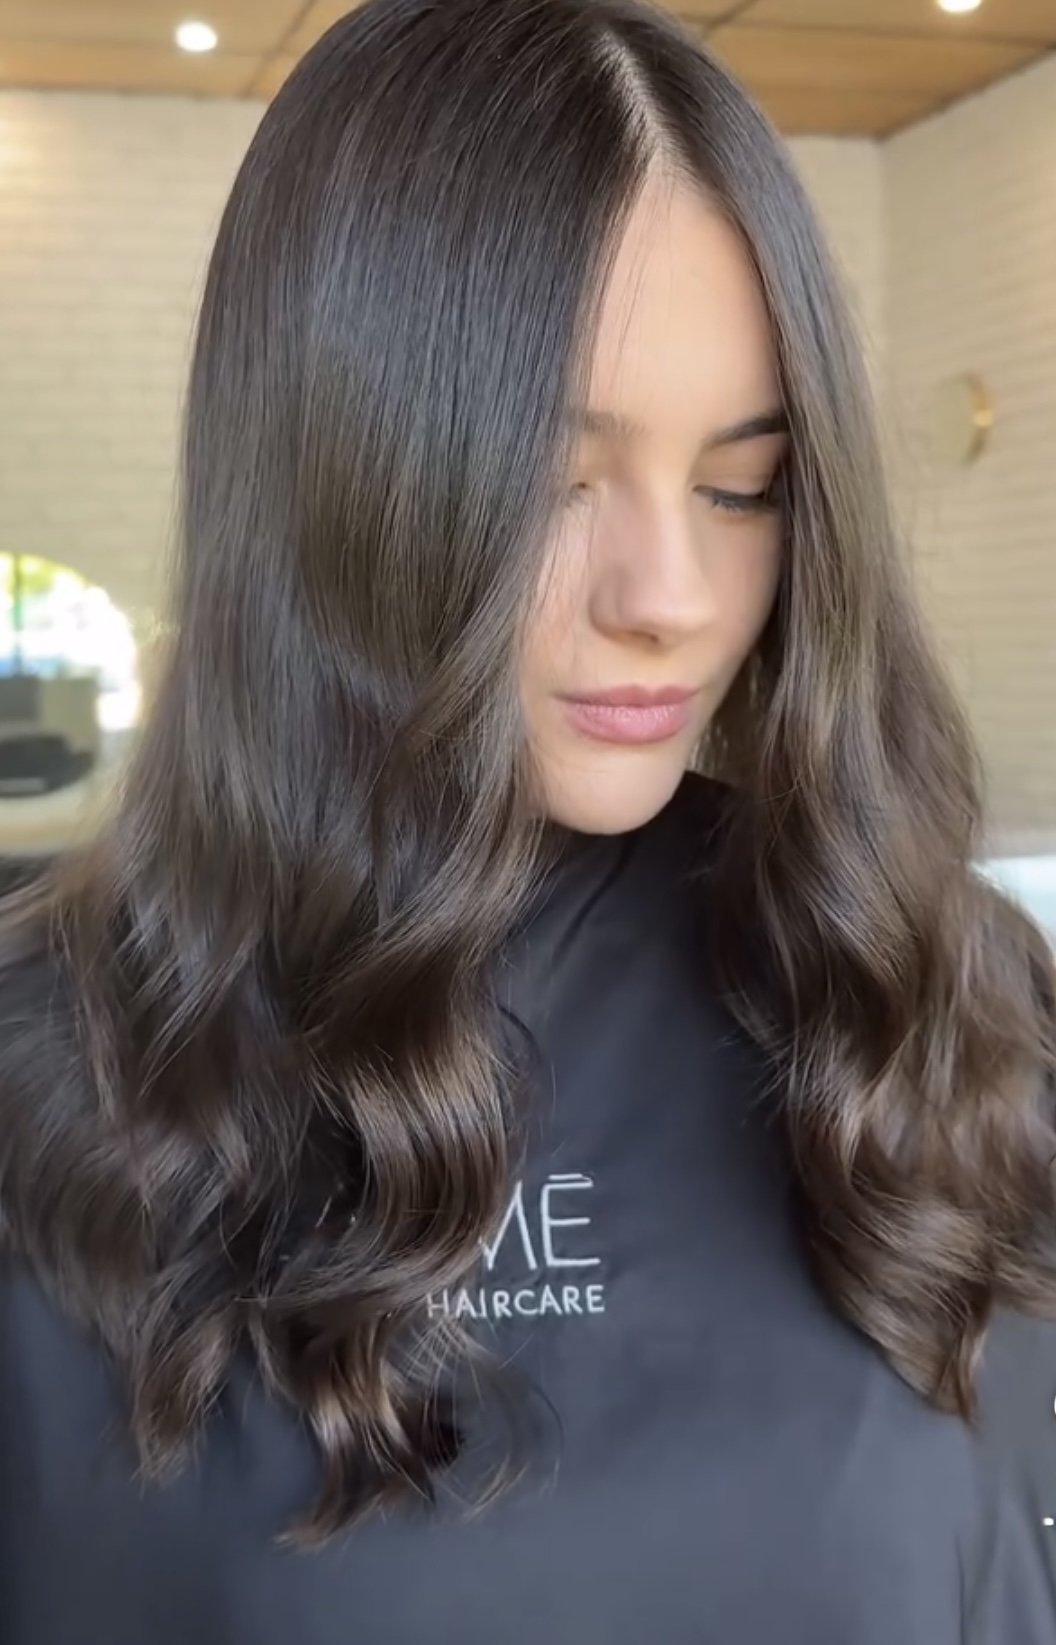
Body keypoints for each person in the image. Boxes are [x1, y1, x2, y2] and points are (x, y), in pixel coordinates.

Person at [1, 0, 1054, 1639]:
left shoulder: (934, 989)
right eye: (555, 481)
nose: (673, 598)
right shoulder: (45, 1064)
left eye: (743, 482)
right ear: (330, 470)